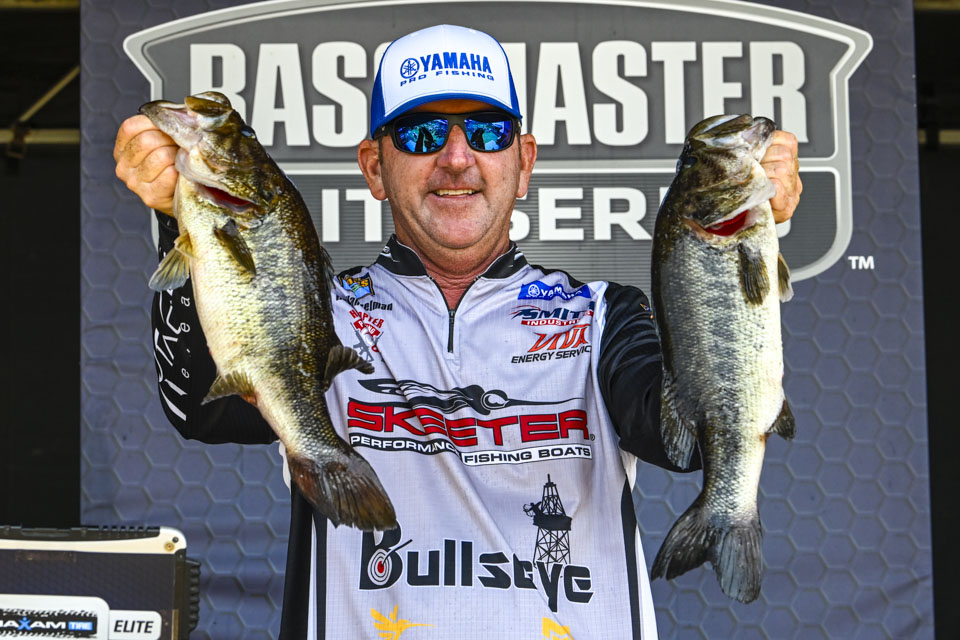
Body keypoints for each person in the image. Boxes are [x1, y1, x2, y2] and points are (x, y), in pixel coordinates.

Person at [114, 24, 801, 640]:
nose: (456, 157)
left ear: (523, 162)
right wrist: (183, 219)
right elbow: (199, 407)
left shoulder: (602, 316)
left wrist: (738, 244)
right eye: (420, 134)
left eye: (487, 132)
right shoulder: (317, 311)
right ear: (374, 167)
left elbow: (684, 440)